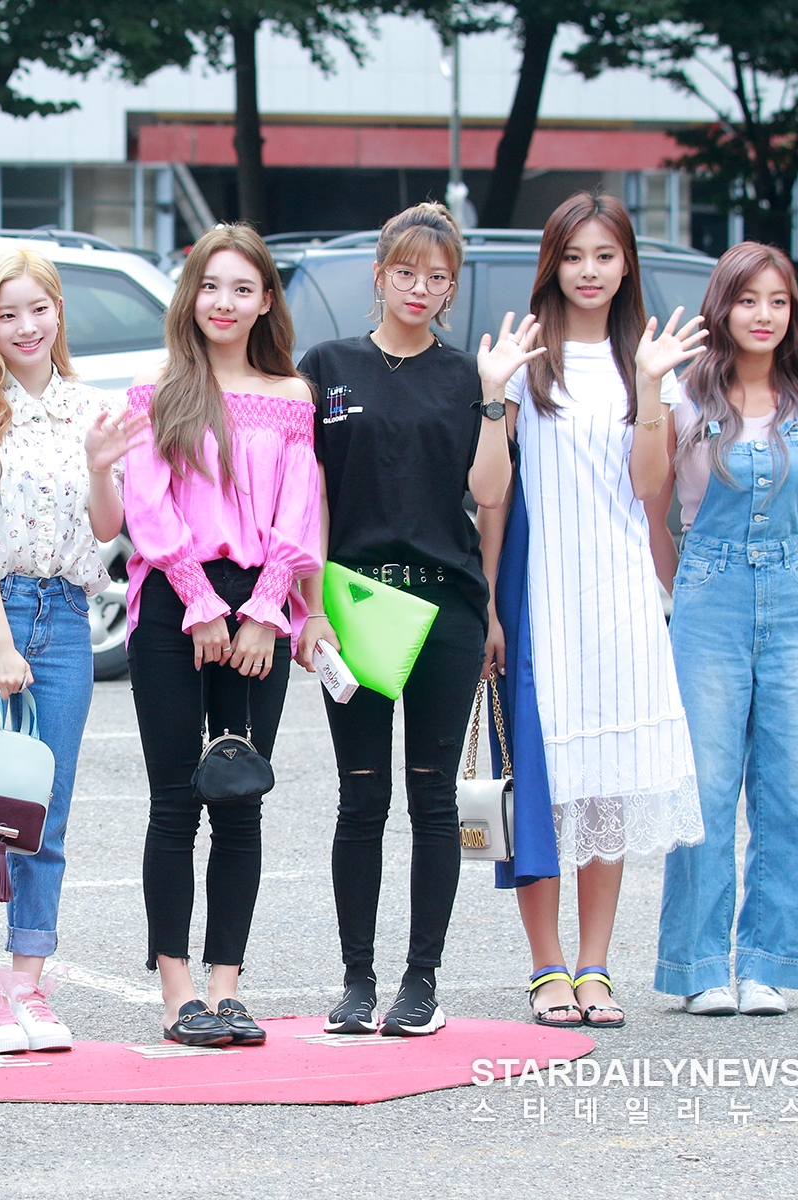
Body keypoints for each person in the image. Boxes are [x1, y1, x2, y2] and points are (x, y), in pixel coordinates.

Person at [294, 202, 530, 1037]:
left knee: (434, 800)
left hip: (445, 606)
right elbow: (310, 496)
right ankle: (356, 982)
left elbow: (490, 494)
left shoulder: (469, 377)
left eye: (437, 277)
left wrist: (495, 400)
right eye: (406, 272)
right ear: (379, 274)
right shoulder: (327, 367)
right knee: (361, 798)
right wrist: (312, 605)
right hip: (356, 602)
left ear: (452, 288)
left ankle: (419, 983)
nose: (419, 289)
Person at [477, 192, 706, 1029]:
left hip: (619, 599)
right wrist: (490, 604)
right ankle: (546, 967)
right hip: (540, 599)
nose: (589, 271)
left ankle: (597, 965)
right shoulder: (524, 361)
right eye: (574, 255)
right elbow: (492, 496)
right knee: (542, 787)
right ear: (552, 264)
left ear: (626, 265)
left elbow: (650, 487)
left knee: (604, 786)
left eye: (605, 255)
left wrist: (648, 385)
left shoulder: (647, 362)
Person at [0, 248, 144, 1053]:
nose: (25, 327)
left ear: (59, 310)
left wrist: (102, 468)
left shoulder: (91, 408)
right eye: (7, 313)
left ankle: (29, 986)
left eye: (38, 308)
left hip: (65, 612)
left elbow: (106, 528)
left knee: (44, 810)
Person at [123, 224, 321, 1047]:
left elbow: (300, 510)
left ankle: (226, 989)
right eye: (211, 286)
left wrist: (269, 609)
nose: (224, 303)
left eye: (242, 288)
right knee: (175, 802)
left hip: (261, 609)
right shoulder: (157, 388)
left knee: (240, 799)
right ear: (190, 294)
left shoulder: (292, 394)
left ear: (266, 299)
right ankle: (178, 996)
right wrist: (200, 601)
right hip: (175, 602)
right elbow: (145, 502)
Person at [650, 243, 798, 1017]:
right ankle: (701, 965)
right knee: (705, 783)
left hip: (793, 598)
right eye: (748, 300)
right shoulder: (684, 402)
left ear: (793, 313)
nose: (763, 315)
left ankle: (769, 962)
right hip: (709, 596)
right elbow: (654, 515)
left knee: (791, 785)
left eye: (778, 301)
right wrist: (695, 586)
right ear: (721, 308)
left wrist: (783, 578)